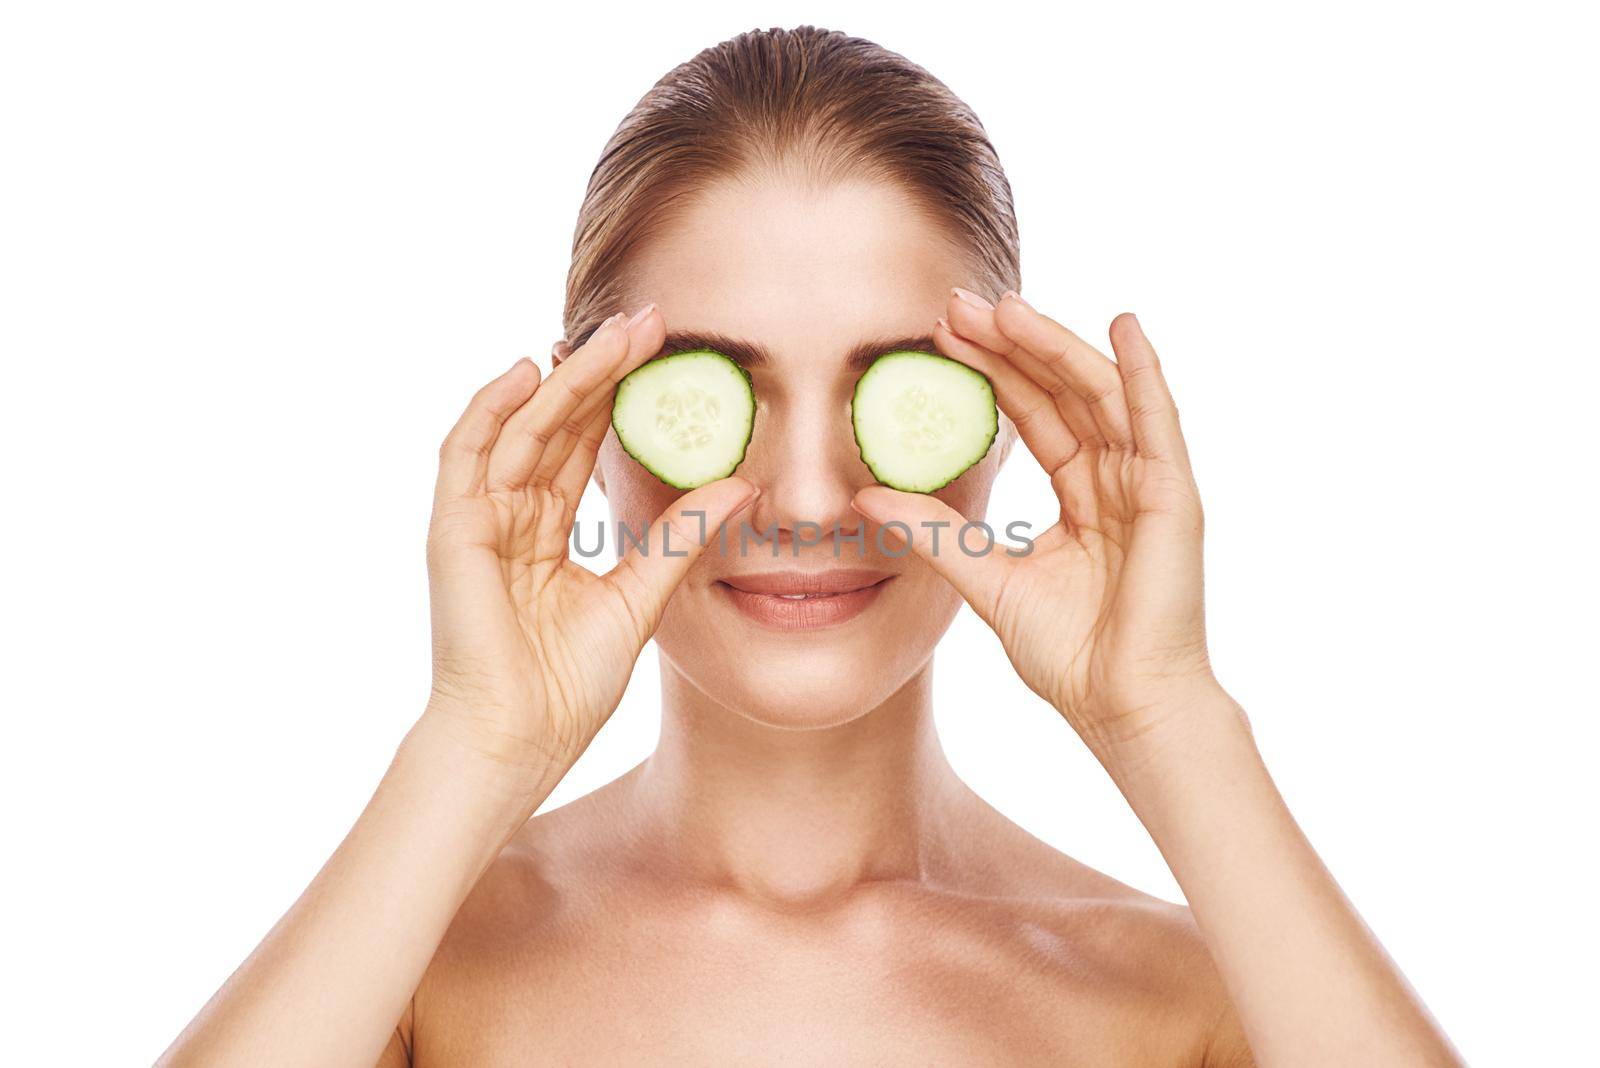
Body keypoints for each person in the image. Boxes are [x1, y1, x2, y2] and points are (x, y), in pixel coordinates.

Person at [157, 25, 1463, 1066]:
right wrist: (476, 742)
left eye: (888, 391)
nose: (806, 490)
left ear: (1008, 421)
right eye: (711, 394)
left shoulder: (1184, 1000)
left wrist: (1171, 720)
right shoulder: (416, 975)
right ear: (585, 428)